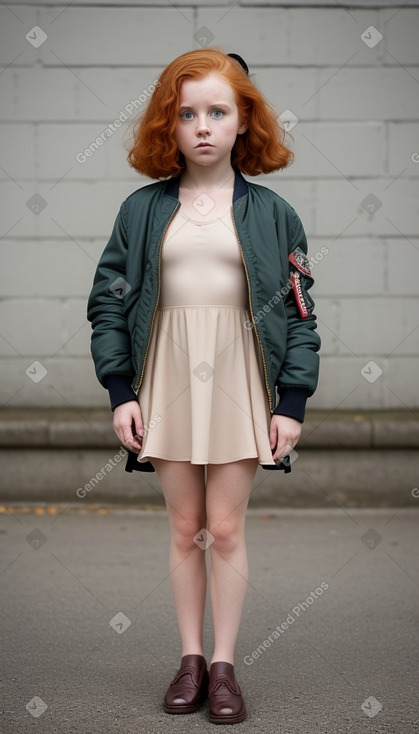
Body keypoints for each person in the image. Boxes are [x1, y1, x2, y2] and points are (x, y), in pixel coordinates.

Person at [87, 47, 320, 725]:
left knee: (224, 528)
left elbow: (302, 316)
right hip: (165, 376)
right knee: (184, 526)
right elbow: (108, 303)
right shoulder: (139, 211)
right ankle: (187, 660)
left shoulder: (275, 215)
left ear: (244, 120)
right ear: (170, 123)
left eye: (218, 111)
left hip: (241, 378)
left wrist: (292, 402)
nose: (203, 127)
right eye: (187, 113)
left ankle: (224, 666)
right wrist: (120, 391)